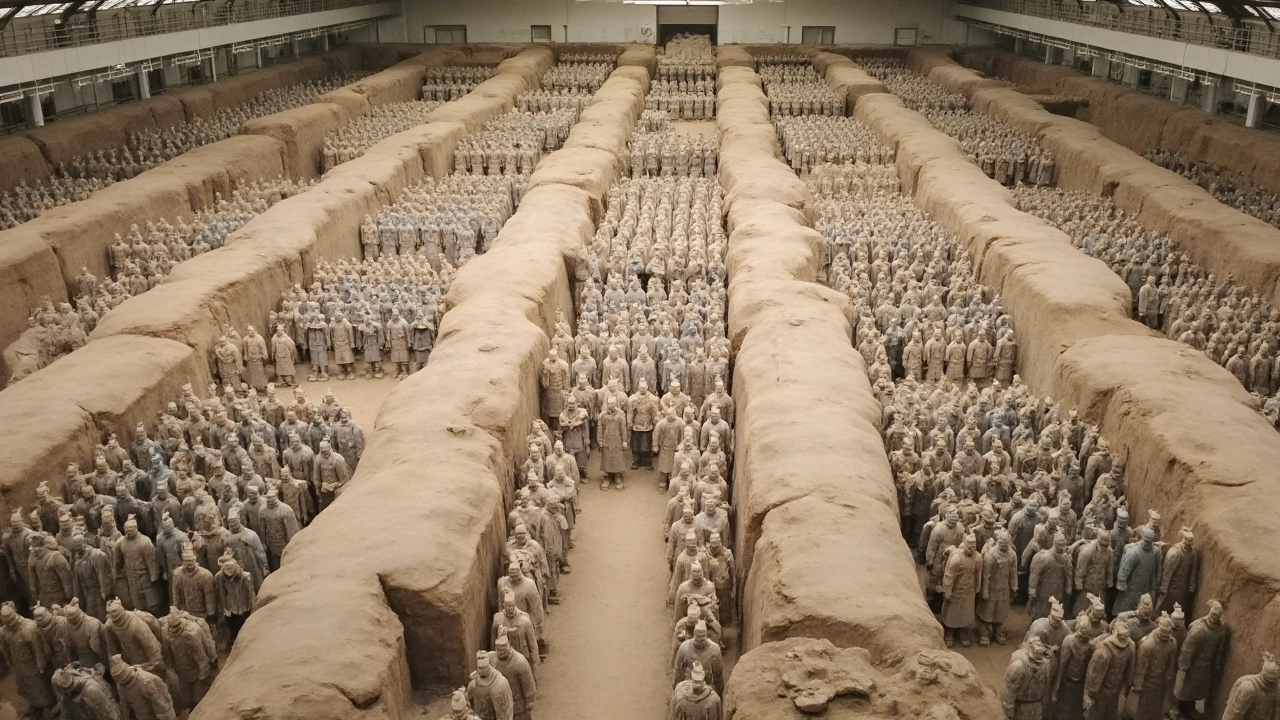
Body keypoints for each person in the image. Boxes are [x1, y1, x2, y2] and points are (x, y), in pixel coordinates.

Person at [1003, 635, 1054, 720]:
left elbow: (1046, 685)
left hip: (1037, 705)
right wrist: (1009, 710)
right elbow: (1009, 690)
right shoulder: (1018, 667)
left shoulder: (1046, 664)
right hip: (1021, 706)